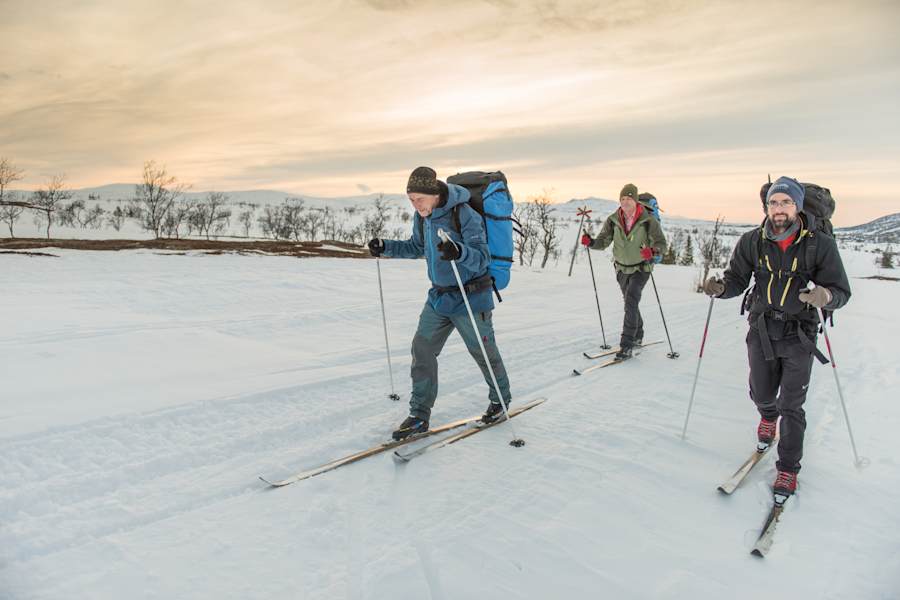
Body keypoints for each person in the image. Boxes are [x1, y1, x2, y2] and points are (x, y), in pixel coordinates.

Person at [702, 176, 851, 498]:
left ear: (797, 206)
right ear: (766, 206)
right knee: (761, 393)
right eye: (773, 202)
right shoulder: (752, 240)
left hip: (800, 333)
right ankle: (767, 419)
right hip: (762, 329)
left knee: (792, 405)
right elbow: (737, 279)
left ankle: (787, 469)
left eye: (785, 202)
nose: (779, 209)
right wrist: (721, 289)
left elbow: (841, 290)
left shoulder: (819, 244)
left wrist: (825, 296)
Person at [368, 166, 512, 440]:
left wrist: (459, 252)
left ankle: (501, 401)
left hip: (471, 297)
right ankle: (419, 416)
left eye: (419, 198)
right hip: (439, 298)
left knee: (483, 353)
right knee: (421, 350)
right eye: (411, 199)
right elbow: (416, 247)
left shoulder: (464, 214)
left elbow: (482, 258)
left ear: (434, 194)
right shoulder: (423, 217)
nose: (416, 204)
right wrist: (385, 247)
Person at [581, 183, 667, 360]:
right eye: (622, 199)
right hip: (621, 267)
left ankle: (626, 345)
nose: (625, 202)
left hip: (642, 268)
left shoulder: (648, 221)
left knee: (631, 301)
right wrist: (591, 242)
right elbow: (603, 242)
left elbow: (661, 244)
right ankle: (639, 334)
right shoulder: (613, 220)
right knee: (630, 302)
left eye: (629, 198)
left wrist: (653, 251)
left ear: (635, 201)